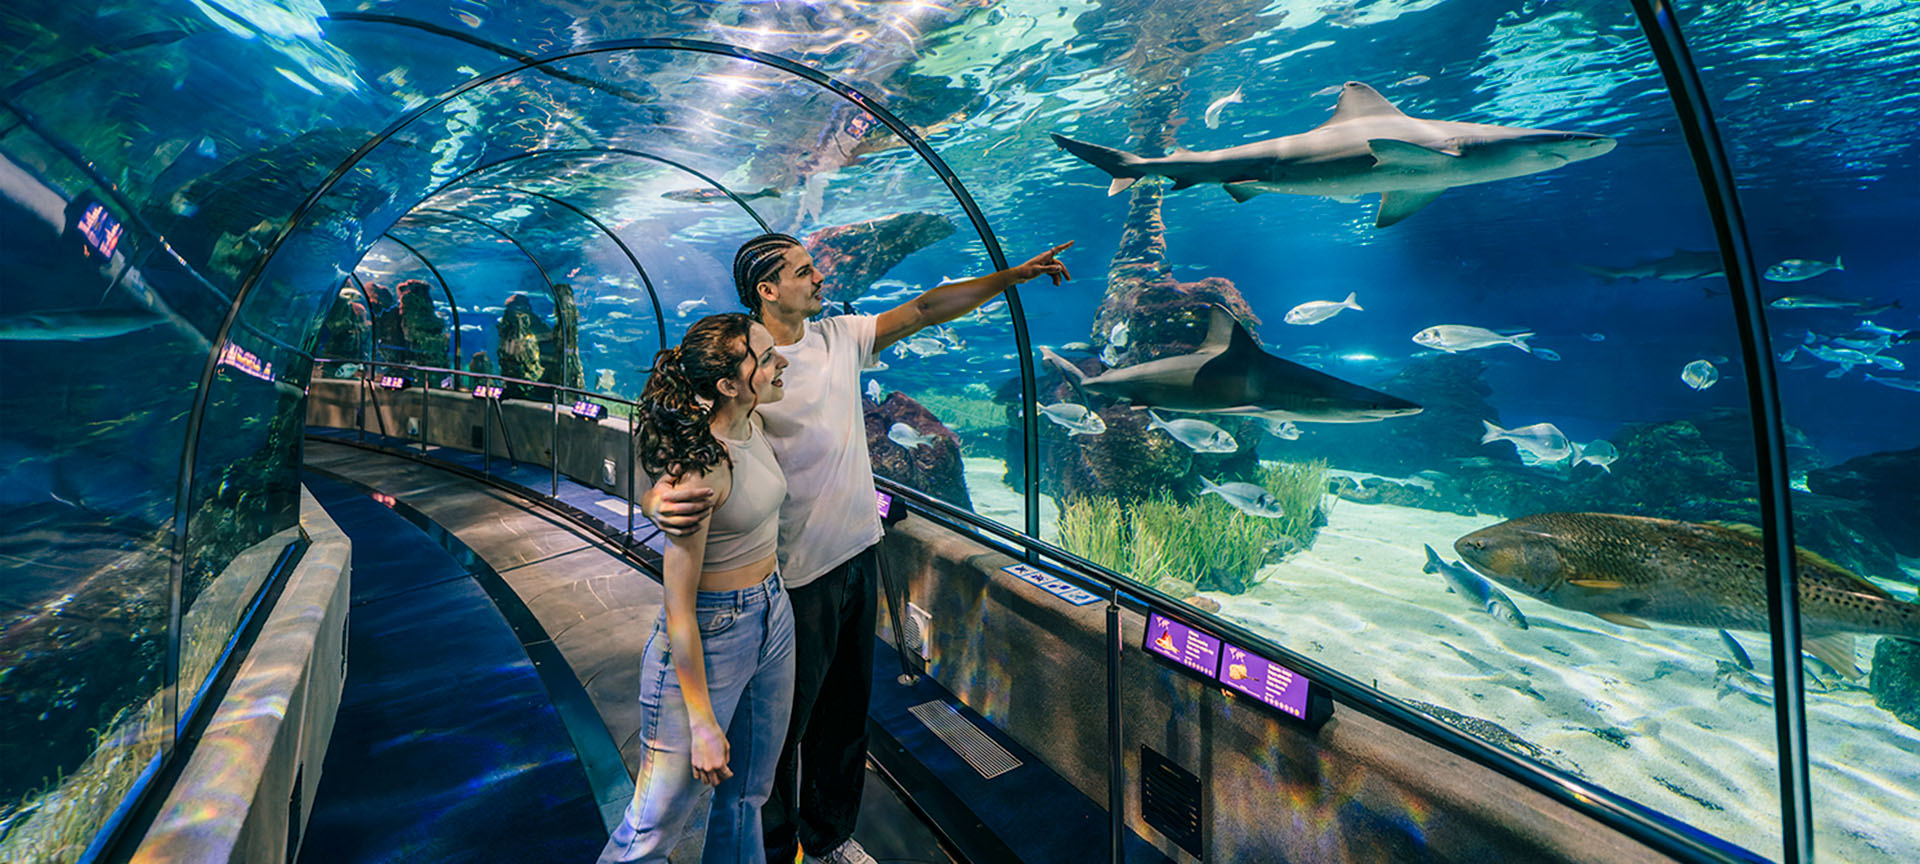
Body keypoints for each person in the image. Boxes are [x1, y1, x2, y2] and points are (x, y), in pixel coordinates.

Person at [644, 234, 1072, 864]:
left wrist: (1012, 276)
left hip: (857, 554)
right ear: (768, 290)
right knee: (781, 731)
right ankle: (770, 846)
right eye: (803, 271)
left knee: (846, 715)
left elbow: (927, 308)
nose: (819, 279)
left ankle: (828, 839)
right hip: (792, 574)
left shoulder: (837, 338)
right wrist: (660, 494)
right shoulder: (748, 365)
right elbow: (683, 425)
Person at [600, 313, 796, 864]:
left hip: (772, 615)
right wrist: (704, 723)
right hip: (711, 632)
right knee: (655, 825)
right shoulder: (703, 470)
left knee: (749, 796)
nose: (780, 360)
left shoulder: (752, 423)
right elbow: (678, 607)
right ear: (729, 384)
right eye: (766, 356)